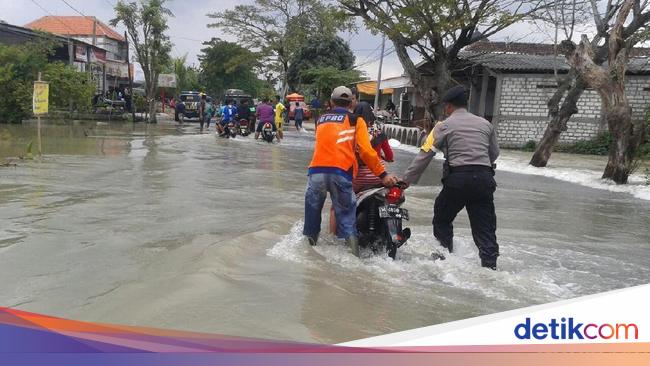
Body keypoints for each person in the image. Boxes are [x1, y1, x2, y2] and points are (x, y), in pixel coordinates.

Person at [401, 85, 500, 270]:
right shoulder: (486, 124)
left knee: (442, 217)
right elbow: (494, 153)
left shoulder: (443, 126)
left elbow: (425, 154)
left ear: (448, 107)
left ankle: (444, 258)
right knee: (485, 227)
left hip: (458, 180)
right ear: (466, 104)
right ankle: (490, 267)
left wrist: (406, 180)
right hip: (484, 180)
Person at [303, 86, 398, 257]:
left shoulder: (321, 119)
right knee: (347, 218)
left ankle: (309, 253)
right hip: (340, 173)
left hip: (316, 172)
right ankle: (354, 259)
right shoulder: (356, 121)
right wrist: (383, 175)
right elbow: (366, 152)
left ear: (331, 102)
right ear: (351, 103)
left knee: (312, 214)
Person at [353, 123, 394, 192]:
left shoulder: (354, 132)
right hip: (381, 176)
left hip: (359, 178)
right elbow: (390, 156)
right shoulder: (380, 133)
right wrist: (385, 158)